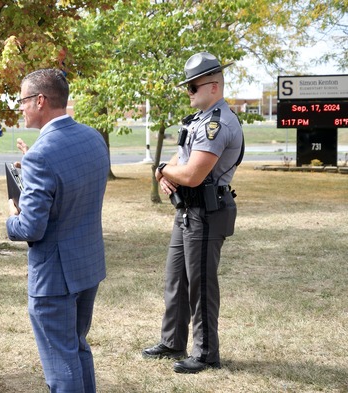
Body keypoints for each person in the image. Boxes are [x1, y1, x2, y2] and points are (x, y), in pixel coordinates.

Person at [6, 68, 110, 392]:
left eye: (21, 101)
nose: (19, 107)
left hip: (55, 277)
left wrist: (11, 215)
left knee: (60, 364)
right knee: (77, 348)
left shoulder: (41, 156)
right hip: (87, 264)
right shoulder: (93, 137)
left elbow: (31, 228)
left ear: (40, 100)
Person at [142, 52, 244, 374]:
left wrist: (165, 171)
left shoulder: (218, 125)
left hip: (206, 213)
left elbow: (192, 175)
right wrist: (163, 172)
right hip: (187, 211)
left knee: (200, 286)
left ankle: (206, 353)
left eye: (193, 87)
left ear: (213, 87)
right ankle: (173, 342)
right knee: (176, 281)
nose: (189, 92)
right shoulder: (198, 121)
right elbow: (176, 163)